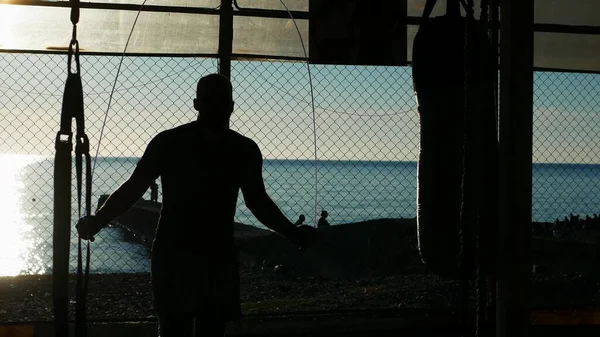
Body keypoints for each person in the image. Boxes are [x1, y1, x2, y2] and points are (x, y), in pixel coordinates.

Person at [76, 74, 318, 337]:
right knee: (204, 329)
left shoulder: (169, 142)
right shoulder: (243, 149)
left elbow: (134, 188)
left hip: (177, 251)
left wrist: (98, 221)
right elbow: (257, 202)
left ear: (197, 104)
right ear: (229, 106)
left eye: (218, 100)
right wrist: (292, 233)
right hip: (211, 252)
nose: (217, 106)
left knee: (175, 330)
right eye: (214, 100)